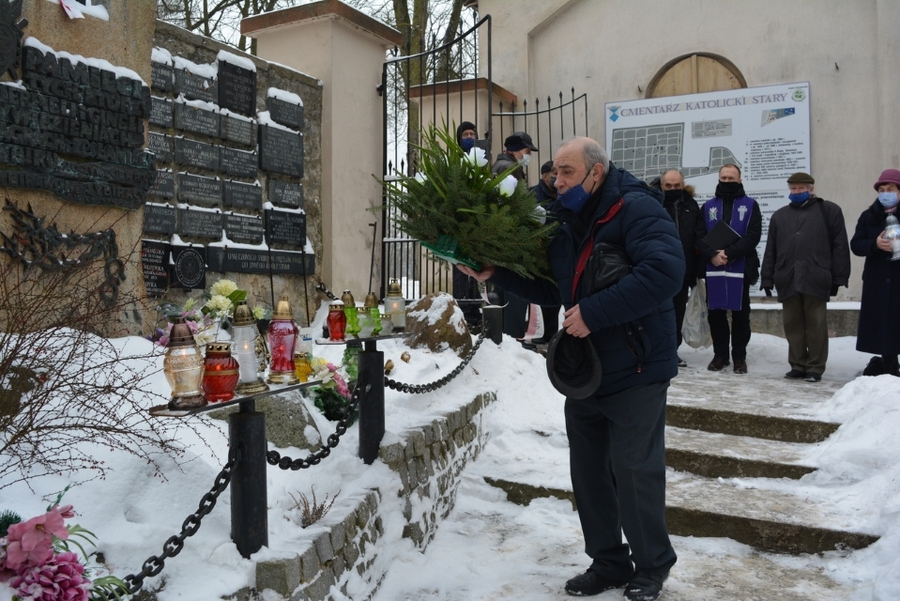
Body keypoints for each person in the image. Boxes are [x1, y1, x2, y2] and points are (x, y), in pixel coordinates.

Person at [458, 137, 681, 600]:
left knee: (635, 470)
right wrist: (494, 274)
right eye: (554, 173)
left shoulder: (636, 209)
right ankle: (608, 562)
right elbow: (554, 287)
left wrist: (595, 312)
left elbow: (663, 274)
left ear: (595, 173)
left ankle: (652, 567)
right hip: (586, 367)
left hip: (637, 364)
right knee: (589, 472)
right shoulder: (566, 219)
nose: (555, 182)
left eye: (566, 173)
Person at [760, 172, 850, 382]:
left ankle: (815, 367)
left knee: (816, 325)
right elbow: (770, 249)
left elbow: (840, 246)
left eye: (801, 188)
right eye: (793, 189)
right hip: (787, 276)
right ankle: (798, 365)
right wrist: (767, 278)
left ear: (811, 189)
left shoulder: (829, 211)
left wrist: (839, 277)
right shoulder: (780, 216)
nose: (797, 192)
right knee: (793, 325)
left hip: (816, 275)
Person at [697, 164, 762, 374]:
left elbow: (753, 236)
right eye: (723, 178)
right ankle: (720, 356)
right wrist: (712, 255)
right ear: (718, 179)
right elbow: (698, 236)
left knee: (741, 315)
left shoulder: (751, 205)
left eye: (731, 178)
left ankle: (739, 357)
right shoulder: (707, 206)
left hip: (740, 268)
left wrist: (729, 253)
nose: (727, 181)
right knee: (716, 314)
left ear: (740, 180)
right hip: (714, 268)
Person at [850, 168, 900, 377]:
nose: (885, 192)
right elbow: (856, 244)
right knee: (882, 324)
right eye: (881, 189)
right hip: (877, 280)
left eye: (890, 188)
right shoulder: (868, 216)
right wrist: (875, 244)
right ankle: (889, 366)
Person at [492, 131, 539, 342]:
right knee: (515, 289)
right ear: (516, 150)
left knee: (502, 287)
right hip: (511, 238)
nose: (528, 155)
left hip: (499, 237)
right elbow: (518, 204)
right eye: (527, 150)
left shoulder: (498, 166)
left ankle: (503, 336)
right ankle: (514, 338)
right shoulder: (510, 168)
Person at [660, 169, 702, 368]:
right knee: (657, 312)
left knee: (677, 312)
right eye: (668, 186)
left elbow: (698, 238)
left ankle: (672, 351)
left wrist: (696, 270)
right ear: (662, 186)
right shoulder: (654, 204)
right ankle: (656, 351)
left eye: (677, 186)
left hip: (683, 270)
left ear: (683, 185)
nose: (673, 189)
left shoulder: (692, 206)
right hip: (658, 270)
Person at [529, 160, 561, 343]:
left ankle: (556, 333)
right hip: (542, 249)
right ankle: (549, 334)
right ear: (545, 175)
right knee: (547, 292)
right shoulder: (535, 194)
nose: (557, 177)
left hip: (560, 245)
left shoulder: (562, 192)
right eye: (554, 173)